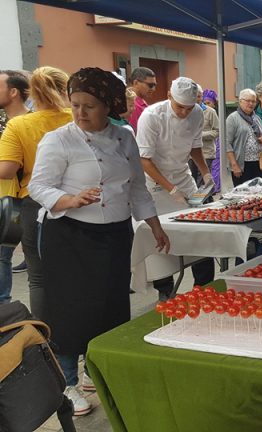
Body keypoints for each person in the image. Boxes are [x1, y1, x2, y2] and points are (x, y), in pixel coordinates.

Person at [28, 67, 170, 416]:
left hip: (116, 232)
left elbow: (137, 187)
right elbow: (38, 187)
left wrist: (155, 226)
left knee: (111, 303)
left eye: (89, 105)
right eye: (75, 104)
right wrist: (70, 200)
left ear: (108, 105)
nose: (80, 112)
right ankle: (69, 382)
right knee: (71, 308)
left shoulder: (124, 138)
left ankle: (99, 366)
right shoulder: (59, 139)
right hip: (71, 235)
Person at [0, 66, 72, 318]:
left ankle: (46, 338)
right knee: (75, 269)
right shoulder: (76, 118)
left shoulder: (19, 125)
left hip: (33, 202)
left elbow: (7, 169)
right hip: (76, 199)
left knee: (38, 277)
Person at [136, 76, 214, 300]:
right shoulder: (151, 116)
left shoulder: (197, 113)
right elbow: (144, 160)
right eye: (180, 107)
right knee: (159, 236)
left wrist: (206, 172)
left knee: (200, 230)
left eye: (189, 108)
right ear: (169, 96)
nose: (184, 113)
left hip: (183, 177)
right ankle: (165, 289)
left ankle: (203, 286)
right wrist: (170, 189)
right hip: (155, 182)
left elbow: (195, 147)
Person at [0, 70, 29, 305]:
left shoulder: (26, 123)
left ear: (13, 92)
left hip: (16, 201)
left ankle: (5, 314)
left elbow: (6, 169)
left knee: (2, 257)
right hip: (9, 198)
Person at [225, 88, 262, 186]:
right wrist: (234, 165)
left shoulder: (256, 118)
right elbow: (226, 143)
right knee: (243, 195)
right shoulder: (233, 118)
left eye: (253, 101)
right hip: (241, 164)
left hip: (257, 162)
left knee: (257, 193)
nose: (251, 104)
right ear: (240, 101)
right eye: (248, 101)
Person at [189, 84, 219, 185]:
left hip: (206, 152)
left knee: (203, 182)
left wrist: (200, 135)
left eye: (199, 96)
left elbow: (217, 131)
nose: (198, 99)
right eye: (195, 96)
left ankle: (204, 200)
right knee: (192, 182)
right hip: (189, 154)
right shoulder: (186, 111)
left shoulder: (210, 112)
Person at [127, 66, 157, 131]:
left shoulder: (140, 103)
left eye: (155, 85)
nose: (153, 89)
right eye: (150, 85)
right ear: (136, 83)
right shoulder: (132, 105)